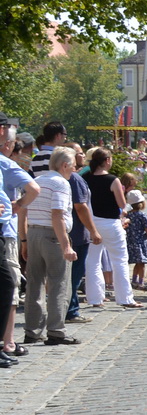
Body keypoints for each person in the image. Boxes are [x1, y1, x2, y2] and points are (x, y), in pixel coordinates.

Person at [23, 147, 78, 346]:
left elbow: (23, 210)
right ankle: (56, 330)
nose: (75, 170)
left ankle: (33, 330)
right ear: (64, 165)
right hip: (52, 235)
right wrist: (66, 246)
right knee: (59, 284)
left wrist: (24, 239)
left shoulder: (36, 181)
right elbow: (57, 215)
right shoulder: (61, 184)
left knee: (34, 283)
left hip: (34, 232)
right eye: (73, 166)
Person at [0, 123, 39, 366]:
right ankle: (8, 342)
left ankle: (6, 343)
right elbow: (34, 189)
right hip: (6, 232)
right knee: (9, 286)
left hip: (7, 231)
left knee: (8, 285)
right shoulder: (6, 163)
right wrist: (18, 206)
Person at [82, 147, 139, 310]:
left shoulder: (85, 178)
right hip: (111, 223)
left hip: (92, 223)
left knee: (92, 261)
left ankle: (94, 298)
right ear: (107, 161)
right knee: (119, 260)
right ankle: (125, 298)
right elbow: (122, 204)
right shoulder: (113, 180)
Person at [62, 145, 95, 324]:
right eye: (79, 152)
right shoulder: (74, 178)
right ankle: (71, 311)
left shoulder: (72, 176)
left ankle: (68, 308)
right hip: (77, 233)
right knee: (74, 276)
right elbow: (81, 207)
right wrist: (93, 230)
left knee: (70, 276)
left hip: (70, 231)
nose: (82, 155)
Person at [125, 188, 147, 288]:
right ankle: (141, 282)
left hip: (131, 241)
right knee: (142, 263)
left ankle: (134, 280)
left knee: (137, 263)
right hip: (140, 241)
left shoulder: (128, 215)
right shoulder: (142, 215)